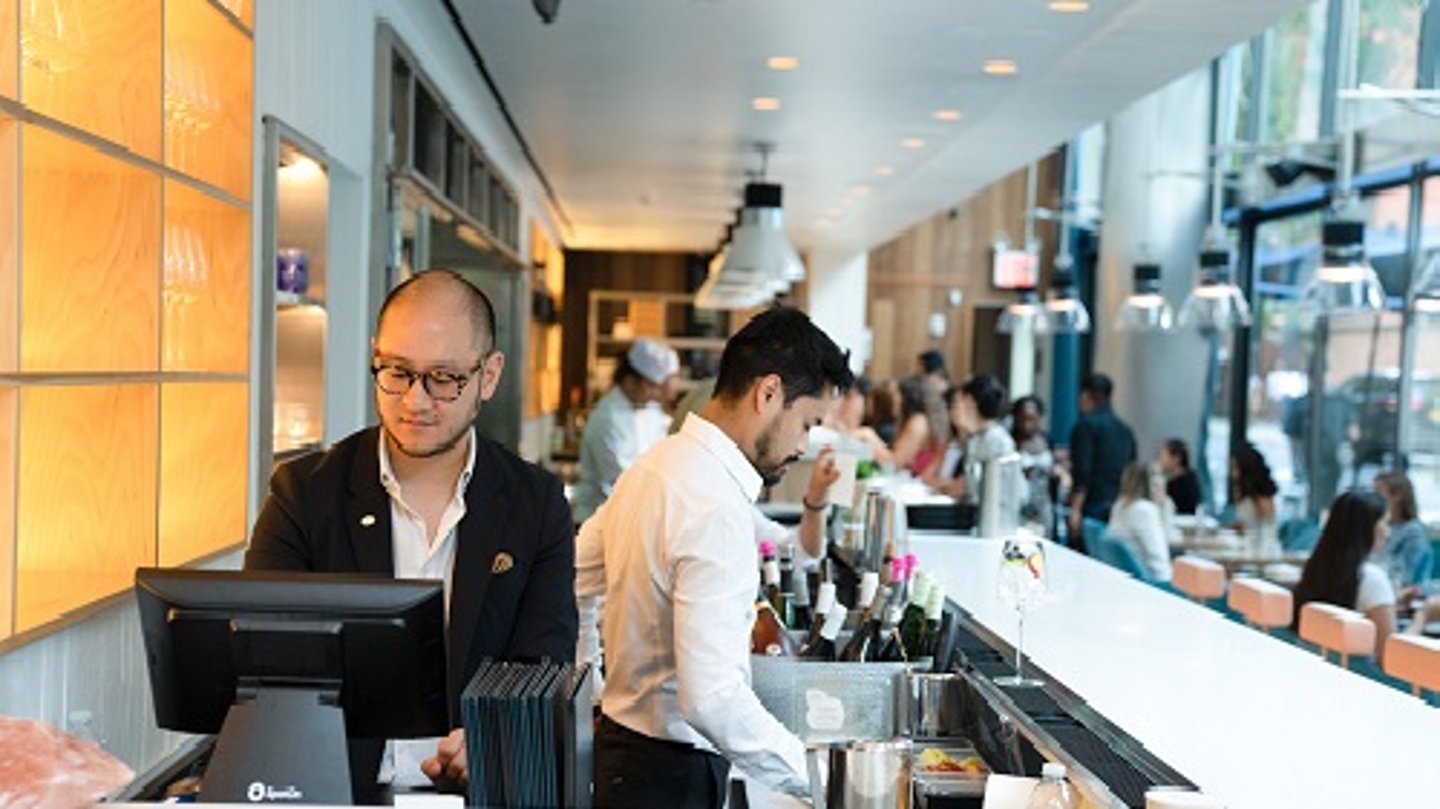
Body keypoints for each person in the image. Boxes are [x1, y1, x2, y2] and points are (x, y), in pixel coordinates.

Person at [245, 269, 576, 801]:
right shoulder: (305, 494)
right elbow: (264, 659)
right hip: (334, 790)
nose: (415, 401)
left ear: (488, 376)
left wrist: (492, 741)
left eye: (443, 379)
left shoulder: (534, 505)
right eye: (397, 372)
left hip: (476, 793)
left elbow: (542, 663)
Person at [575, 306, 852, 806]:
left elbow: (571, 581)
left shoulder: (654, 466)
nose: (803, 445)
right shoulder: (714, 504)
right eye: (807, 423)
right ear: (768, 394)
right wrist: (822, 780)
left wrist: (594, 687)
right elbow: (712, 698)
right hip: (670, 776)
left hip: (621, 755)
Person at [572, 338, 680, 524]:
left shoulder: (651, 411)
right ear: (630, 381)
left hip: (632, 518)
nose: (655, 394)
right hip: (597, 520)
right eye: (650, 387)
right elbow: (622, 478)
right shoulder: (607, 417)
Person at [1292, 491, 1396, 662]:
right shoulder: (1373, 580)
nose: (1388, 532)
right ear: (1368, 527)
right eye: (1385, 523)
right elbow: (1392, 657)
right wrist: (1422, 618)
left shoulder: (1317, 568)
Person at [1066, 373, 1137, 547]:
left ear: (1088, 396)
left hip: (1091, 508)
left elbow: (1082, 472)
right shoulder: (1126, 431)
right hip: (1118, 509)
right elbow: (1132, 471)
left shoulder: (1085, 427)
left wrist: (1075, 511)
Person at [923, 375, 1014, 500]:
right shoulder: (976, 439)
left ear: (970, 402)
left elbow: (968, 489)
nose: (952, 410)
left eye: (957, 402)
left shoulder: (996, 441)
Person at [1106, 462, 1175, 583]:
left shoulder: (1121, 504)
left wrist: (1163, 506)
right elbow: (1160, 558)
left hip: (1125, 578)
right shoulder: (1145, 510)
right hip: (1152, 584)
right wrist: (1172, 585)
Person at [1373, 471, 1430, 589]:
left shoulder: (1413, 532)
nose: (1372, 498)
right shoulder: (1378, 525)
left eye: (1378, 492)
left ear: (1397, 496)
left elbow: (1403, 576)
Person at [1011, 396, 1057, 533]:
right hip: (1018, 507)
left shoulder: (1047, 439)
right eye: (1022, 419)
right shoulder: (1010, 442)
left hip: (1043, 506)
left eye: (1031, 419)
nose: (1026, 424)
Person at [826, 375, 892, 464]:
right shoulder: (825, 429)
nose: (840, 402)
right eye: (837, 396)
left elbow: (890, 465)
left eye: (848, 396)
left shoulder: (868, 434)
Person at [891, 374, 949, 475]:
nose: (895, 398)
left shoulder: (919, 422)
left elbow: (895, 463)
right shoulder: (924, 420)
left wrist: (871, 439)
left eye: (899, 394)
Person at [1230, 442, 1279, 554]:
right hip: (1246, 546)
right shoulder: (1241, 492)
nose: (1232, 473)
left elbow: (1268, 529)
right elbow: (1246, 525)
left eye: (1235, 467)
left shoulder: (1261, 497)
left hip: (1261, 552)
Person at [1158, 438, 1202, 515]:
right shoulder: (1175, 480)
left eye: (1163, 455)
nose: (1160, 459)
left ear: (1176, 458)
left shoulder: (1186, 482)